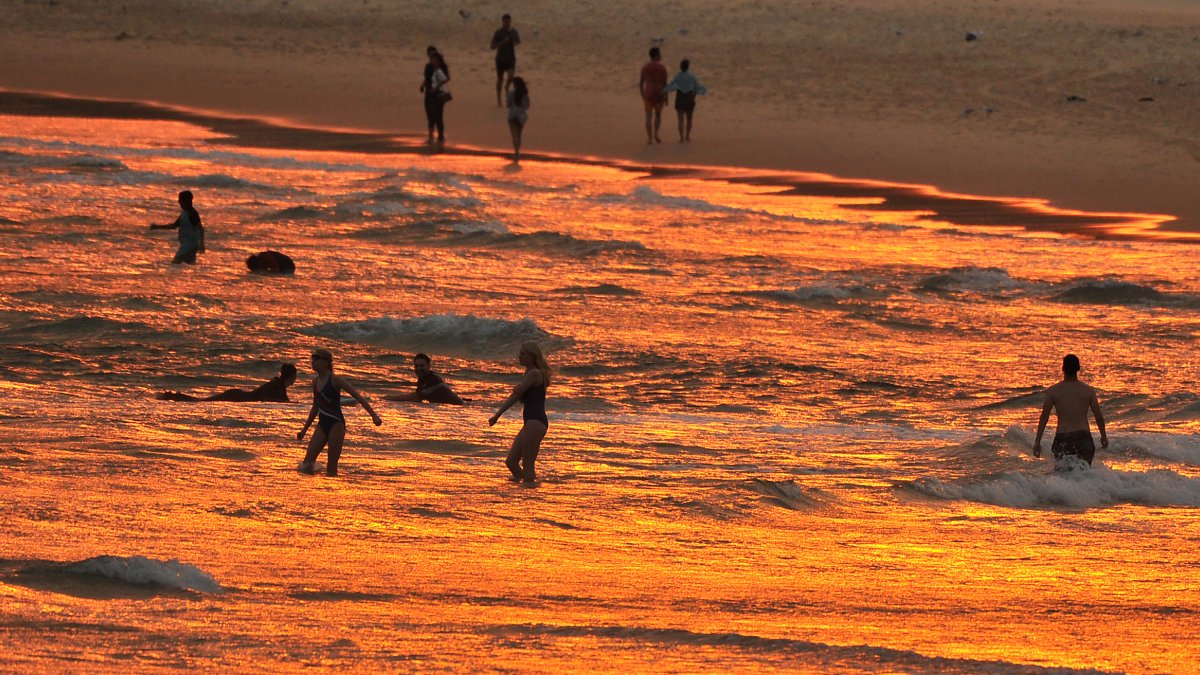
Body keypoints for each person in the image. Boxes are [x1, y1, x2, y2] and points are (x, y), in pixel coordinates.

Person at [297, 348, 382, 476]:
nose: (313, 362)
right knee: (307, 464)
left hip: (336, 424)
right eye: (312, 359)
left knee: (331, 467)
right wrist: (304, 430)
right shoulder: (314, 382)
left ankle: (330, 491)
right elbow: (315, 407)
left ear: (326, 362)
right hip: (322, 424)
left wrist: (373, 415)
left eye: (317, 359)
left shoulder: (335, 380)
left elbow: (357, 396)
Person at [488, 341, 550, 483]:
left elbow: (516, 396)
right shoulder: (529, 373)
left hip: (536, 422)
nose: (519, 356)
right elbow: (521, 396)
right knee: (511, 462)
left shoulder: (534, 373)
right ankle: (525, 489)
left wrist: (498, 415)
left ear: (532, 356)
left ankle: (529, 497)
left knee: (528, 466)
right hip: (531, 422)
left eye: (523, 354)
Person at [1034, 354, 1109, 467]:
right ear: (1078, 369)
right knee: (1085, 475)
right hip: (1084, 438)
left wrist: (1037, 442)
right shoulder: (1088, 391)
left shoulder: (1053, 391)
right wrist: (1103, 436)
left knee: (1063, 477)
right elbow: (1098, 416)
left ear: (1063, 369)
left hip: (1063, 438)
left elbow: (1044, 417)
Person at [157, 363, 297, 403]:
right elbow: (280, 401)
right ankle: (170, 396)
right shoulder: (277, 385)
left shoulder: (277, 384)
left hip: (238, 396)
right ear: (292, 377)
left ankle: (172, 396)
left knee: (200, 401)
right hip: (238, 397)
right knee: (200, 402)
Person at [384, 353, 465, 405]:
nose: (419, 368)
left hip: (458, 408)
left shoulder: (433, 379)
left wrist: (389, 399)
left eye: (422, 366)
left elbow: (416, 397)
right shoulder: (422, 379)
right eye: (416, 366)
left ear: (428, 366)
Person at [149, 190, 205, 264]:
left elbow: (201, 229)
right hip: (188, 246)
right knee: (188, 268)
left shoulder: (192, 213)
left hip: (189, 246)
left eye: (181, 201)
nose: (179, 203)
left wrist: (202, 245)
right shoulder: (184, 212)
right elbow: (174, 226)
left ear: (188, 201)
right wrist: (157, 227)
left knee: (174, 265)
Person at [663, 59, 708, 142]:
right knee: (689, 119)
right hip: (689, 100)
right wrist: (694, 96)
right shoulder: (692, 77)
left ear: (680, 67)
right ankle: (687, 136)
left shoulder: (677, 76)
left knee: (680, 120)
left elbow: (671, 87)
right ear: (688, 67)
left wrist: (663, 90)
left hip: (680, 100)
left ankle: (681, 137)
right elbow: (697, 88)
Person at [420, 47, 450, 145]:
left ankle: (440, 136)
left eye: (433, 55)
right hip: (429, 93)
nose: (432, 57)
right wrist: (422, 86)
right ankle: (431, 136)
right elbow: (426, 78)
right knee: (429, 115)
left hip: (438, 95)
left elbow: (446, 79)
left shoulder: (441, 67)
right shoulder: (428, 67)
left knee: (438, 115)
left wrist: (437, 87)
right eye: (430, 55)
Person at [639, 47, 669, 144]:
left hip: (648, 93)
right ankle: (656, 133)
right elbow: (665, 84)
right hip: (659, 93)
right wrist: (666, 96)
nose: (661, 56)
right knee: (658, 115)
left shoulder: (645, 67)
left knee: (648, 116)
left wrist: (642, 93)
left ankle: (649, 138)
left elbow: (641, 83)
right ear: (656, 55)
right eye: (660, 54)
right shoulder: (662, 68)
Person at [490, 14, 521, 107]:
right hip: (500, 59)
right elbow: (492, 46)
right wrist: (503, 42)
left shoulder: (513, 31)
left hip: (511, 58)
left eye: (509, 22)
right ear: (502, 22)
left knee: (511, 75)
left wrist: (513, 41)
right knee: (500, 79)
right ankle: (499, 98)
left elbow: (518, 41)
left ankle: (507, 86)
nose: (507, 24)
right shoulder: (498, 32)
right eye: (506, 22)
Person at [505, 77, 531, 162]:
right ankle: (517, 152)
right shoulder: (525, 94)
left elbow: (508, 104)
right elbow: (527, 106)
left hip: (512, 115)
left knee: (514, 135)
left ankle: (516, 152)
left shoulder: (510, 93)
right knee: (519, 135)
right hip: (521, 116)